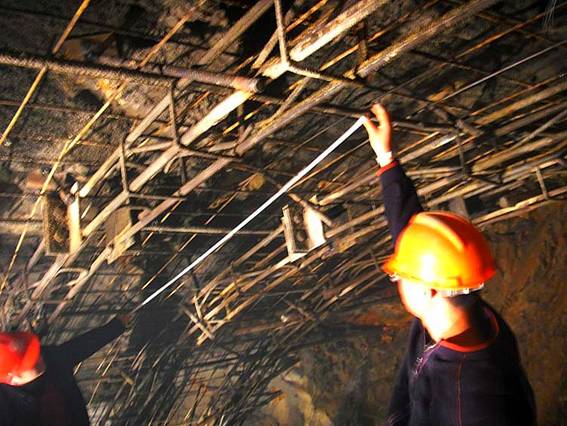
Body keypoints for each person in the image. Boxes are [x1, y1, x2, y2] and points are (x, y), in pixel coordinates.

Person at [362, 104, 536, 426]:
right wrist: (386, 158)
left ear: (427, 289)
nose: (397, 279)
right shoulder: (458, 306)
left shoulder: (472, 405)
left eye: (399, 275)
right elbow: (416, 238)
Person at [0, 315, 131, 426]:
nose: (40, 356)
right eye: (32, 361)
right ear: (13, 379)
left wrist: (116, 327)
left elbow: (79, 348)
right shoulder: (7, 411)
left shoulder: (50, 359)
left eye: (35, 351)